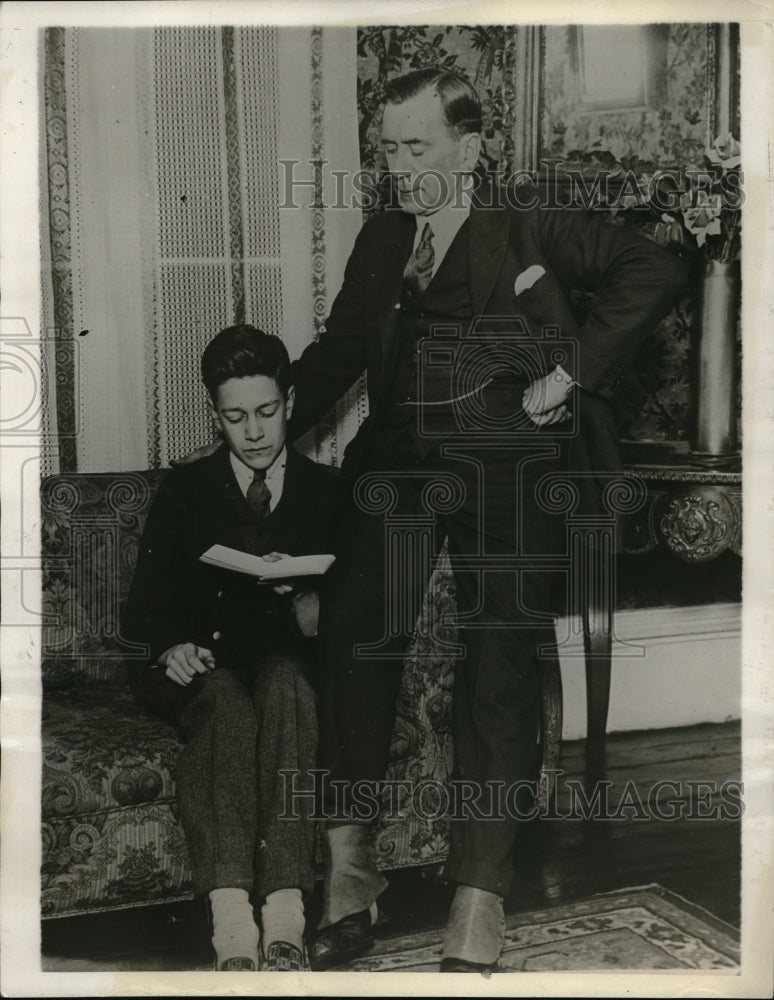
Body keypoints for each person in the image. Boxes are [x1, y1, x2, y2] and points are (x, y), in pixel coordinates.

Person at [284, 68, 689, 972]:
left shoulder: (530, 223)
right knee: (354, 640)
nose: (398, 168)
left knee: (500, 665)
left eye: (416, 147)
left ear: (469, 149)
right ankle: (350, 870)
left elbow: (655, 268)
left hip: (506, 470)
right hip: (395, 465)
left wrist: (570, 372)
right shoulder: (384, 238)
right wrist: (261, 435)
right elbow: (340, 353)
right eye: (387, 150)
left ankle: (480, 892)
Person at [123, 325, 341, 972]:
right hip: (205, 663)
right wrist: (170, 647)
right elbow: (144, 607)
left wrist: (310, 599)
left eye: (267, 412)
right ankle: (231, 921)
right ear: (215, 414)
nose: (253, 432)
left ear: (290, 403)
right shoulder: (186, 490)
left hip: (284, 659)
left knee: (289, 688)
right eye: (235, 417)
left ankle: (286, 912)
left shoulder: (327, 491)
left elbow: (350, 613)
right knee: (224, 705)